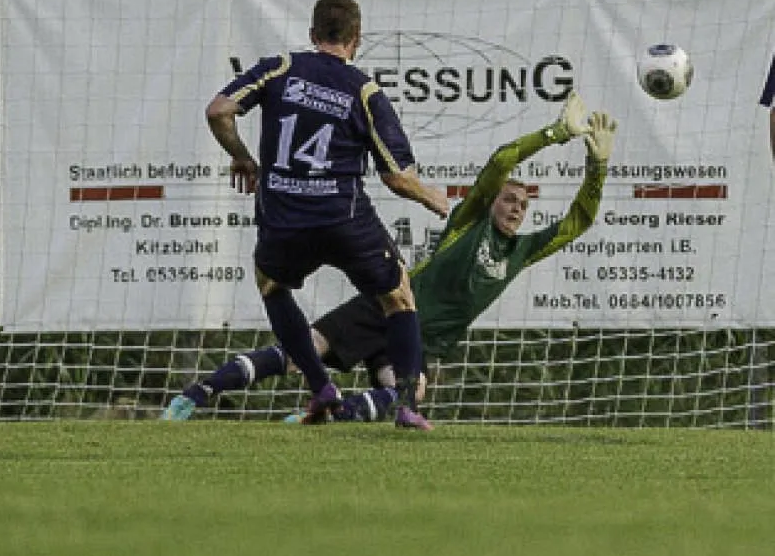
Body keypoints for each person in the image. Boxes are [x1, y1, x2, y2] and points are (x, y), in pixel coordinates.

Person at [163, 91, 617, 424]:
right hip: (389, 306)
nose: (516, 207)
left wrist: (596, 168)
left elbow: (578, 221)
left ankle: (320, 419)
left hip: (420, 340)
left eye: (523, 204)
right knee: (301, 356)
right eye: (509, 199)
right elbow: (502, 160)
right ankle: (198, 393)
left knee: (409, 391)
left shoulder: (523, 250)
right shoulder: (469, 220)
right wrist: (556, 134)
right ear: (492, 201)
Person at [187, 0, 448, 430]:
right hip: (343, 220)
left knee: (271, 284)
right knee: (399, 295)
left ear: (312, 34)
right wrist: (431, 198)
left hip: (286, 218)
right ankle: (406, 406)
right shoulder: (364, 90)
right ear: (356, 39)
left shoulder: (281, 68)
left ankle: (320, 385)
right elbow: (396, 177)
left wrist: (243, 157)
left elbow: (218, 112)